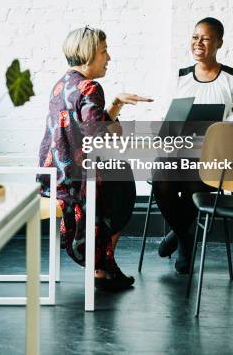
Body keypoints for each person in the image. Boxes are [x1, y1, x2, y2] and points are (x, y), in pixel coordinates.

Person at [37, 26, 153, 292]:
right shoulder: (90, 87)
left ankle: (103, 265)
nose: (108, 57)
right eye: (103, 51)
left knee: (118, 176)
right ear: (88, 55)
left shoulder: (62, 84)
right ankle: (103, 265)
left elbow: (87, 126)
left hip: (53, 177)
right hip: (75, 182)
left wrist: (115, 105)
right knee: (123, 185)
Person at [152, 17, 233, 274]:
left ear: (219, 43)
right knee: (160, 177)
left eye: (205, 38)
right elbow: (170, 118)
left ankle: (180, 236)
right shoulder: (181, 76)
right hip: (180, 152)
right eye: (195, 37)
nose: (198, 43)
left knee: (196, 180)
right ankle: (185, 236)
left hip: (215, 155)